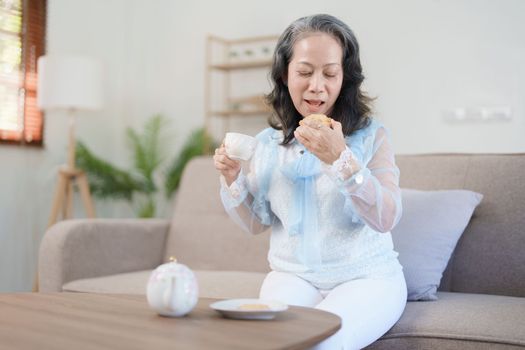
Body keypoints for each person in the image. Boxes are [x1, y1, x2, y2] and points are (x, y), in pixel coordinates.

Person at [213, 14, 406, 350]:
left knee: (321, 343)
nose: (317, 85)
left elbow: (386, 217)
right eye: (304, 72)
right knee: (268, 342)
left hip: (367, 278)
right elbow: (258, 223)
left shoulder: (371, 136)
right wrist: (233, 179)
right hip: (292, 277)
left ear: (344, 78)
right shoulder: (268, 144)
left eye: (330, 73)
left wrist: (341, 160)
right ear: (284, 75)